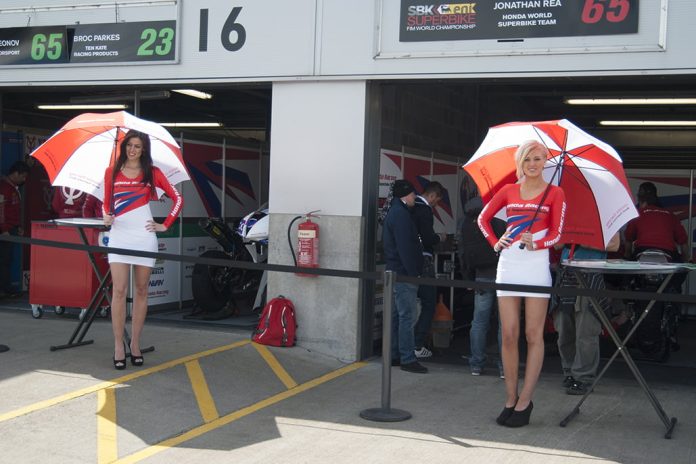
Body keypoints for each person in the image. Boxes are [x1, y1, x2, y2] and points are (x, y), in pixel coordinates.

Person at [478, 140, 566, 427]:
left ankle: (526, 400)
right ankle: (509, 398)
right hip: (508, 266)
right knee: (508, 334)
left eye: (538, 159)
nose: (533, 164)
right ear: (520, 161)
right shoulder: (508, 190)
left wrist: (537, 241)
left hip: (536, 266)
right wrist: (496, 241)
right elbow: (483, 219)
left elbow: (558, 235)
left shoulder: (556, 193)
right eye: (528, 158)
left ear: (545, 162)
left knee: (533, 335)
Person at [102, 130, 183, 370]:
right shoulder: (112, 172)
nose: (132, 150)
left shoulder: (153, 173)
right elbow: (106, 204)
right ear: (124, 146)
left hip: (144, 237)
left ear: (144, 149)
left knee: (141, 290)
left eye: (137, 146)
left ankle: (135, 344)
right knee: (118, 291)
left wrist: (165, 224)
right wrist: (106, 217)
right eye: (129, 145)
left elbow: (177, 199)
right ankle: (118, 345)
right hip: (118, 236)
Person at [553, 233, 619, 396]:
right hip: (566, 274)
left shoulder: (604, 213)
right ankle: (569, 372)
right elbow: (557, 245)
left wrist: (585, 241)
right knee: (564, 330)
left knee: (586, 331)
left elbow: (614, 245)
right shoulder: (566, 214)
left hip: (591, 275)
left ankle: (583, 378)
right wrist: (570, 235)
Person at [382, 179, 427, 373]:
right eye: (412, 194)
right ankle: (408, 358)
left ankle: (394, 355)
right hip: (404, 274)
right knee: (406, 316)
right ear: (405, 195)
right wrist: (414, 272)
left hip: (394, 271)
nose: (414, 197)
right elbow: (405, 247)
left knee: (396, 316)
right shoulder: (401, 215)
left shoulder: (394, 212)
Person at [459, 195, 505, 377]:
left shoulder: (468, 221)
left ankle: (476, 364)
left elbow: (463, 252)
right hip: (504, 276)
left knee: (479, 322)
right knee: (505, 324)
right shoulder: (502, 217)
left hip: (481, 276)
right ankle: (504, 367)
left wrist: (468, 277)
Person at [412, 181, 446, 359]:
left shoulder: (409, 206)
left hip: (409, 261)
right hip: (424, 260)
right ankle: (417, 344)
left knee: (407, 306)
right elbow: (427, 237)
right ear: (432, 196)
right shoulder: (424, 210)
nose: (436, 204)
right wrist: (438, 237)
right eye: (437, 200)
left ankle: (405, 344)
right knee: (429, 303)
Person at [624, 182, 689, 262]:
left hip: (642, 251)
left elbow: (628, 239)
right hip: (668, 253)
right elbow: (683, 241)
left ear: (641, 201)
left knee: (629, 271)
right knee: (680, 271)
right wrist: (686, 261)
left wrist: (627, 258)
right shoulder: (670, 215)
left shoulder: (637, 214)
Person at [0, 161, 30, 298]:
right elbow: (1, 210)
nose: (24, 180)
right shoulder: (4, 188)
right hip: (4, 230)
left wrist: (17, 226)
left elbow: (13, 210)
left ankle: (6, 288)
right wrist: (3, 229)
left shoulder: (13, 188)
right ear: (16, 173)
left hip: (11, 228)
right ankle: (4, 289)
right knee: (3, 260)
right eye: (23, 176)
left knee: (7, 259)